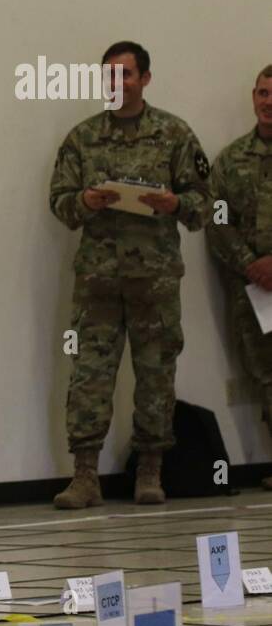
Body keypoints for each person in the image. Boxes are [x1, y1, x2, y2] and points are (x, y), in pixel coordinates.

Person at [48, 41, 212, 508]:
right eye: (110, 76)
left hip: (155, 282)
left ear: (145, 79)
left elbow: (204, 205)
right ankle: (85, 476)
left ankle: (150, 471)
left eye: (126, 75)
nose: (117, 84)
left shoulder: (174, 134)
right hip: (99, 282)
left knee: (156, 375)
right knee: (90, 376)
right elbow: (59, 202)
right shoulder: (82, 138)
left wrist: (175, 203)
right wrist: (85, 201)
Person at [206, 64, 272, 491]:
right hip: (254, 290)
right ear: (253, 97)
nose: (269, 103)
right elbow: (216, 218)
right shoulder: (230, 160)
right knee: (266, 376)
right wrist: (252, 263)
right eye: (264, 94)